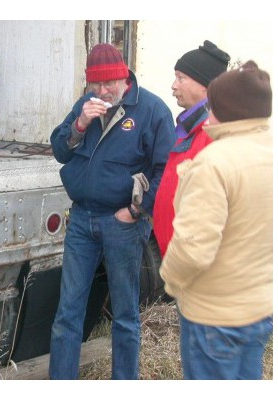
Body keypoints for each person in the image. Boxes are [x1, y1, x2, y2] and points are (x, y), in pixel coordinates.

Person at [49, 43, 175, 379]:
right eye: (96, 85)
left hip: (122, 223)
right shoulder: (86, 105)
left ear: (125, 76)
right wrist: (78, 124)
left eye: (110, 84)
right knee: (67, 313)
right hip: (82, 219)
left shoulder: (152, 110)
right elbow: (60, 150)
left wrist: (136, 212)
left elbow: (166, 171)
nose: (103, 92)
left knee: (124, 315)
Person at [159, 60, 273, 380]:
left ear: (228, 111)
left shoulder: (215, 162)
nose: (207, 116)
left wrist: (172, 279)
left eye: (213, 108)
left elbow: (194, 247)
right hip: (258, 308)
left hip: (215, 313)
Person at [153, 40, 230, 257]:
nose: (173, 85)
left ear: (205, 86)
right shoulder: (190, 128)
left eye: (181, 78)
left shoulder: (215, 134)